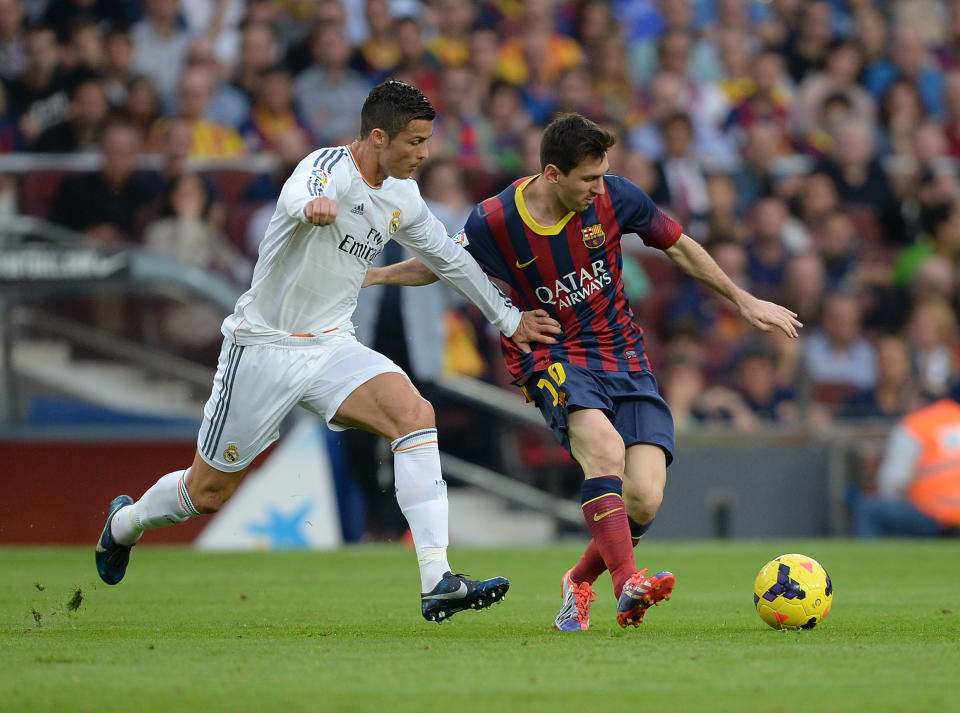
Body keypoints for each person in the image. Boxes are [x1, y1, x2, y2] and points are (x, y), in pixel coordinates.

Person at [95, 80, 562, 624]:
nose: (425, 153)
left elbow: (450, 261)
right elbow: (300, 192)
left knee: (415, 415)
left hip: (331, 345)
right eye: (414, 141)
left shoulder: (403, 196)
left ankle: (438, 579)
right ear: (379, 137)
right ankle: (123, 525)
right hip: (263, 348)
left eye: (428, 141)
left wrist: (508, 319)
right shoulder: (327, 169)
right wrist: (312, 203)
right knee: (207, 492)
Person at [364, 113, 801, 631]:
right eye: (588, 179)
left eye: (603, 175)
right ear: (552, 174)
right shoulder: (497, 220)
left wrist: (742, 299)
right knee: (605, 452)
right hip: (552, 353)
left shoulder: (616, 197)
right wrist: (374, 275)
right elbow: (441, 263)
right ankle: (627, 583)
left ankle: (578, 581)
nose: (600, 188)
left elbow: (678, 244)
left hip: (624, 355)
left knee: (644, 495)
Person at [853, 393, 960, 537]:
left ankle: (876, 559)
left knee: (867, 511)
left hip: (932, 516)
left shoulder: (914, 425)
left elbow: (892, 484)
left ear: (918, 401)